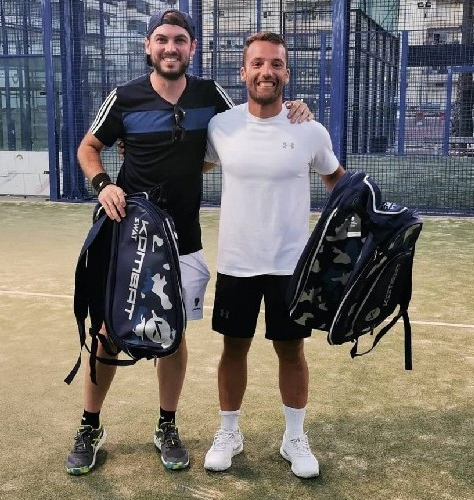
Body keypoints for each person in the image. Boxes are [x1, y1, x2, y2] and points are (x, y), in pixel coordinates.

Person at [66, 9, 312, 475]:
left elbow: (250, 122)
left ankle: (167, 425)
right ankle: (89, 425)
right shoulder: (124, 97)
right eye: (161, 39)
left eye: (179, 40)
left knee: (172, 331)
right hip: (129, 237)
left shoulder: (208, 95)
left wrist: (297, 110)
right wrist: (103, 185)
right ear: (148, 46)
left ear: (192, 48)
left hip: (183, 239)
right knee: (108, 332)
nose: (170, 48)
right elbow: (88, 147)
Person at [202, 32, 345, 478]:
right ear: (243, 72)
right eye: (258, 64)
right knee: (233, 348)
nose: (267, 72)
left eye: (276, 64)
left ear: (287, 73)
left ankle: (294, 438)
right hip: (237, 262)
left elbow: (338, 182)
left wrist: (359, 230)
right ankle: (229, 433)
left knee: (291, 350)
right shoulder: (221, 126)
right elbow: (191, 166)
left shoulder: (309, 129)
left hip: (290, 266)